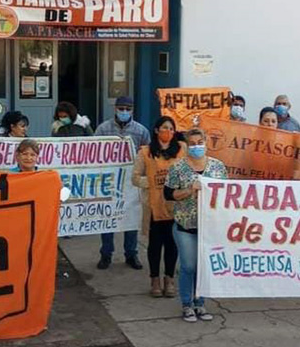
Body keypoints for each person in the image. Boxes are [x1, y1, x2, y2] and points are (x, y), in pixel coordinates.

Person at [164, 127, 228, 322]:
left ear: (206, 142)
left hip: (209, 227)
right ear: (186, 146)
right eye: (192, 144)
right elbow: (168, 194)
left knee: (203, 267)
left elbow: (227, 193)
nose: (196, 146)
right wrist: (189, 190)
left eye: (200, 142)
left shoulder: (218, 167)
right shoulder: (177, 168)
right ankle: (186, 304)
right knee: (189, 265)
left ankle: (200, 303)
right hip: (185, 226)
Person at [132, 116, 187, 297]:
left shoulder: (181, 150)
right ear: (156, 130)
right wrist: (153, 182)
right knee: (154, 246)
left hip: (175, 206)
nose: (168, 132)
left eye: (171, 129)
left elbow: (189, 172)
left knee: (172, 245)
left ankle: (169, 279)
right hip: (154, 207)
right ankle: (154, 279)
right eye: (164, 128)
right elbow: (135, 178)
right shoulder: (145, 152)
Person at [95, 96, 151, 270]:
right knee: (107, 216)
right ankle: (106, 254)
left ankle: (131, 254)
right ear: (115, 109)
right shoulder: (103, 128)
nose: (124, 112)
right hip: (109, 180)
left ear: (132, 110)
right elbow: (93, 150)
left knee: (131, 216)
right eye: (121, 108)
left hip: (131, 181)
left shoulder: (141, 131)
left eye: (128, 108)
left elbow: (148, 155)